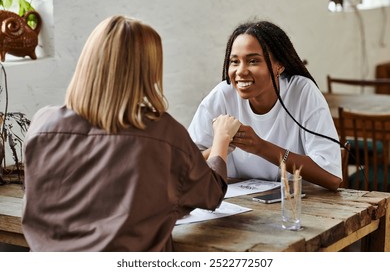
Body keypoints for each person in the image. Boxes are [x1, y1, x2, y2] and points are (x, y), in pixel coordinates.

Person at [21, 15, 241, 251]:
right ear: (149, 71)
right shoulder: (163, 133)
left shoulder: (42, 125)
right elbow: (211, 194)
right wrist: (222, 138)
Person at [188, 20, 342, 191]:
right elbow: (184, 168)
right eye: (234, 61)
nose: (240, 71)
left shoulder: (302, 91)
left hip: (296, 207)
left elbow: (332, 177)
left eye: (253, 61)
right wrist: (221, 143)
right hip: (241, 206)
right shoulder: (223, 95)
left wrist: (261, 147)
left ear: (280, 65)